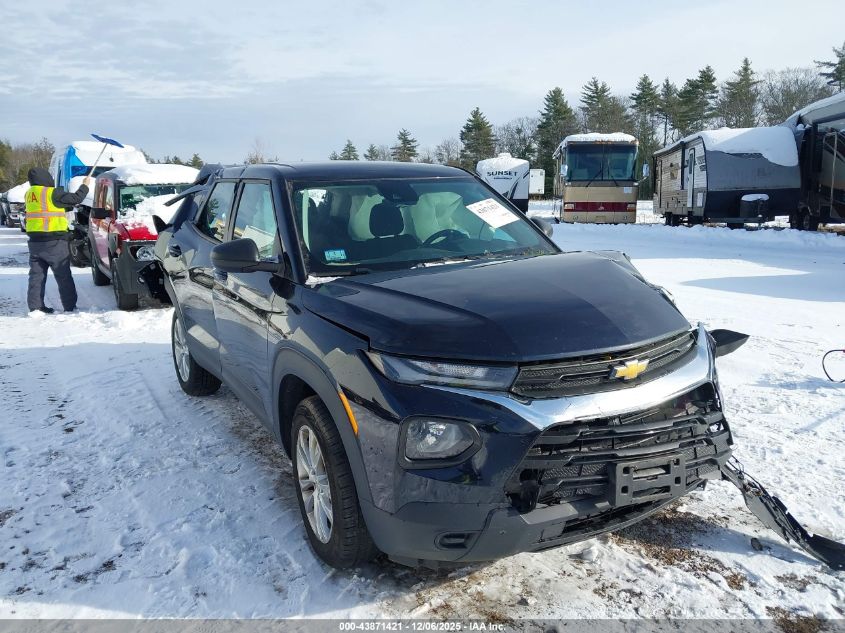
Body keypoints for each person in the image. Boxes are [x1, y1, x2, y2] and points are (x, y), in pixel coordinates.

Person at [24, 168, 90, 314]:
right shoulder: (52, 192)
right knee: (63, 275)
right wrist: (85, 185)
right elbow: (76, 199)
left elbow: (47, 208)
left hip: (35, 242)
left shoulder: (30, 194)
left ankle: (35, 307)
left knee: (36, 276)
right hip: (54, 242)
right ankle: (70, 307)